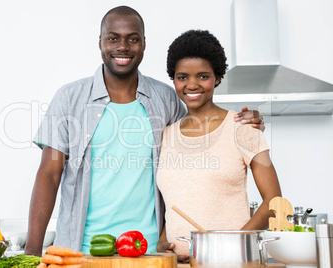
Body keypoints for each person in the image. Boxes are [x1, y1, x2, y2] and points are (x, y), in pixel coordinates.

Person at [24, 6, 263, 256]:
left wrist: (246, 124)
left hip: (150, 251)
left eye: (133, 39)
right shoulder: (69, 98)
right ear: (100, 42)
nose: (123, 47)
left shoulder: (166, 98)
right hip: (81, 251)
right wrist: (31, 251)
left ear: (144, 43)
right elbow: (49, 174)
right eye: (113, 38)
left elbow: (198, 147)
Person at [156, 29, 282, 262]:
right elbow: (172, 205)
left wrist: (229, 247)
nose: (192, 85)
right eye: (182, 77)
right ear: (173, 79)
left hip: (232, 262)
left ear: (218, 77)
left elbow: (273, 201)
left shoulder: (243, 129)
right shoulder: (165, 136)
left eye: (203, 76)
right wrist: (163, 243)